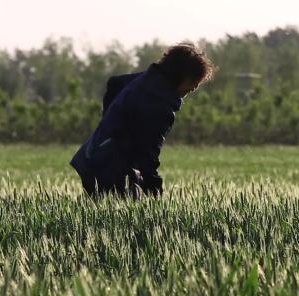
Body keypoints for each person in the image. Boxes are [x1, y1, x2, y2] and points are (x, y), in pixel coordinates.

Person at [70, 43, 215, 198]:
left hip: (92, 156)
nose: (193, 88)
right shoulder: (160, 105)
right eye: (193, 82)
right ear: (182, 75)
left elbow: (114, 83)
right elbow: (148, 155)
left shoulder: (145, 80)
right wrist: (155, 194)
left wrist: (110, 125)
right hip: (111, 169)